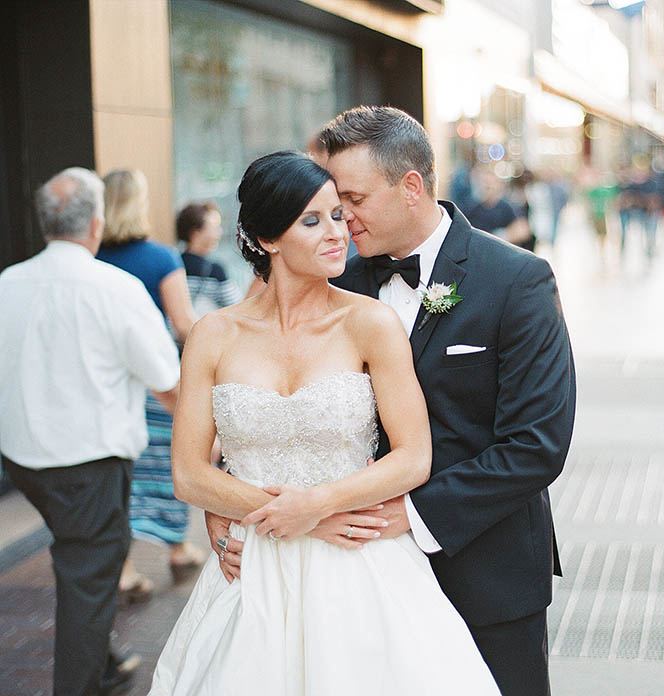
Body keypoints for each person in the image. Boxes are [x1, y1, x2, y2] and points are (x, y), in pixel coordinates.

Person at [209, 106, 576, 696]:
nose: (340, 219)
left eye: (351, 198)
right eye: (330, 202)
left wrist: (402, 516)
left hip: (486, 571)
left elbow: (537, 445)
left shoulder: (518, 281)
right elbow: (277, 408)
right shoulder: (340, 282)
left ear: (411, 187)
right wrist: (227, 507)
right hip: (350, 580)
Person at [149, 151, 500, 694]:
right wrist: (298, 519)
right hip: (253, 570)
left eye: (338, 215)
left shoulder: (369, 323)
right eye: (312, 221)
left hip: (361, 565)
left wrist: (318, 505)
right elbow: (189, 474)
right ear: (267, 240)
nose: (337, 232)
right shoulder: (214, 335)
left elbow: (414, 455)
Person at [0, 168, 180, 696]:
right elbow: (166, 381)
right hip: (87, 460)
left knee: (85, 559)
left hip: (23, 457)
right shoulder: (115, 289)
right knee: (89, 571)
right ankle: (81, 683)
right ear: (96, 224)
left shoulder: (7, 283)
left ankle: (101, 662)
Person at [97, 169, 204, 597]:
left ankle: (124, 566)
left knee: (123, 473)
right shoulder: (161, 259)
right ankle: (177, 547)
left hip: (109, 384)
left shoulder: (92, 259)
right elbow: (183, 325)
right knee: (162, 464)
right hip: (157, 383)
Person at [176, 201, 242, 317]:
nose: (219, 233)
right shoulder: (215, 272)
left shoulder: (172, 265)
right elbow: (239, 309)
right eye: (214, 228)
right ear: (195, 233)